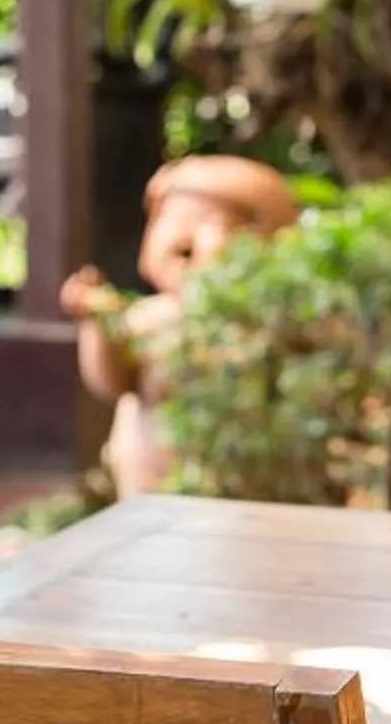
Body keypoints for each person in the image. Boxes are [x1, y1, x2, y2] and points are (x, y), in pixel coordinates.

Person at [61, 155, 297, 498]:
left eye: (213, 223)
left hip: (231, 491)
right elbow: (111, 382)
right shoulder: (148, 317)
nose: (185, 241)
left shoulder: (266, 327)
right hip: (146, 483)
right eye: (174, 219)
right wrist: (98, 324)